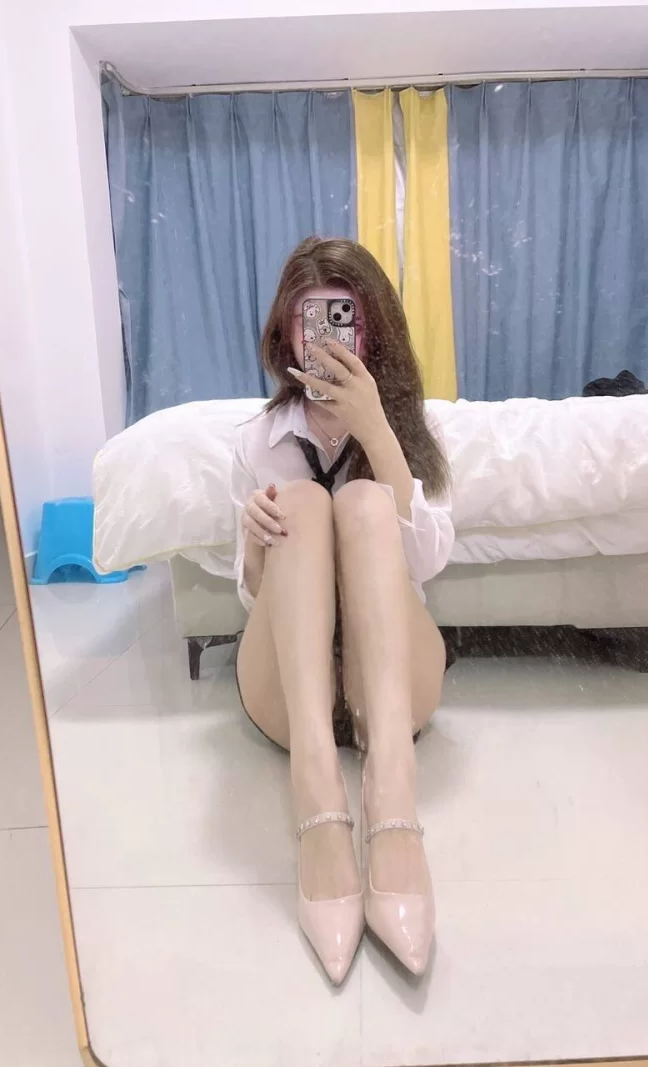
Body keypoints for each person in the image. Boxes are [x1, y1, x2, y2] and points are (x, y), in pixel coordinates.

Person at [231, 236, 454, 984]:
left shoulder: (409, 429)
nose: (325, 339)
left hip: (388, 684)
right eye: (311, 321)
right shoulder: (258, 441)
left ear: (373, 330)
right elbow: (253, 597)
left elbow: (427, 565)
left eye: (343, 319)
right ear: (286, 332)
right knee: (297, 502)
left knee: (361, 501)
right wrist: (254, 541)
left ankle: (391, 792)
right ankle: (319, 793)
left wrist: (379, 433)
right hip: (290, 694)